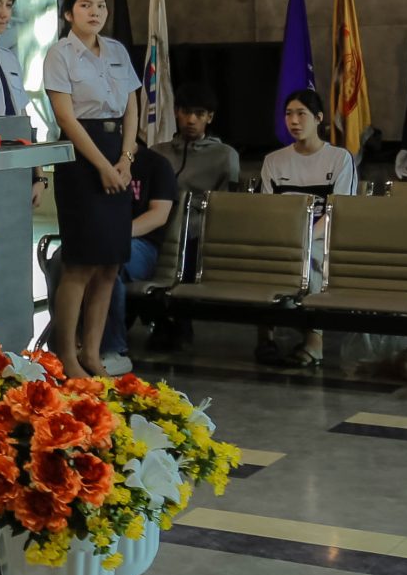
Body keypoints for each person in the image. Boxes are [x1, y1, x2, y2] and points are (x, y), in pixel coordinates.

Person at [41, 0, 143, 377]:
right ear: (69, 13)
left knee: (110, 264)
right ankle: (67, 354)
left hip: (119, 154)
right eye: (85, 5)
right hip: (81, 159)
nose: (95, 12)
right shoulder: (59, 54)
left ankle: (93, 354)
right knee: (81, 263)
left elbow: (132, 106)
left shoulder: (116, 50)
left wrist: (127, 158)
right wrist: (102, 165)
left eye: (100, 5)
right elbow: (66, 118)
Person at [257, 87, 357, 369]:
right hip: (283, 235)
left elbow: (339, 210)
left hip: (323, 236)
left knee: (309, 254)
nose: (294, 121)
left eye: (301, 114)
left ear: (319, 118)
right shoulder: (274, 161)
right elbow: (268, 210)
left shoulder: (339, 158)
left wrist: (305, 238)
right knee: (262, 255)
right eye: (289, 114)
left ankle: (315, 340)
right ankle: (265, 336)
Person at [146, 82, 240, 351]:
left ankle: (180, 321)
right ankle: (159, 319)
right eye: (186, 112)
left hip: (198, 227)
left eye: (199, 114)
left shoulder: (224, 156)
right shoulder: (159, 153)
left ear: (210, 117)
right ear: (176, 112)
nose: (191, 120)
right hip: (159, 222)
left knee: (187, 244)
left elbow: (227, 203)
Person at [96, 143, 178, 370]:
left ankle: (112, 348)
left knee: (108, 263)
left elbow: (158, 215)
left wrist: (117, 236)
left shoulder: (157, 165)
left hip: (141, 244)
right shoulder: (98, 161)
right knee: (61, 259)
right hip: (100, 240)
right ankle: (66, 343)